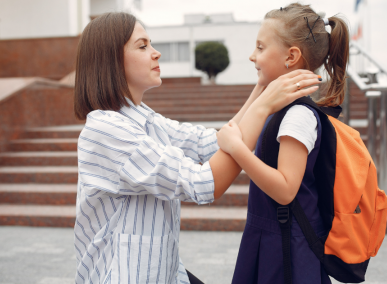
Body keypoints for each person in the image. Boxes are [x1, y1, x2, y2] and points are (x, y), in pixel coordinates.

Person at [73, 12, 320, 284]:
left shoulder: (145, 119)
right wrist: (263, 107)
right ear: (110, 60)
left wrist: (262, 87)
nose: (156, 53)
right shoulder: (106, 130)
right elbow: (203, 182)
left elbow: (210, 144)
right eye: (142, 46)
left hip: (167, 274)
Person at [217, 3, 349, 284]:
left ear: (291, 56)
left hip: (287, 248)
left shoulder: (298, 116)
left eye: (261, 48)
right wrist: (261, 86)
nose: (253, 56)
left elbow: (286, 189)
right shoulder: (279, 109)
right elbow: (231, 131)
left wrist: (238, 150)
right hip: (271, 236)